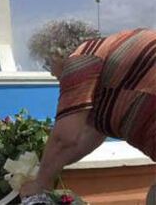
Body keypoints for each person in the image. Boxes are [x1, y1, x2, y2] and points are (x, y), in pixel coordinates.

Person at [20, 20, 155, 204]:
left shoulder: (82, 58)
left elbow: (65, 139)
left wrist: (41, 183)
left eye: (47, 63)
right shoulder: (106, 69)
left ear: (57, 53)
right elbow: (87, 138)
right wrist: (48, 166)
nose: (51, 73)